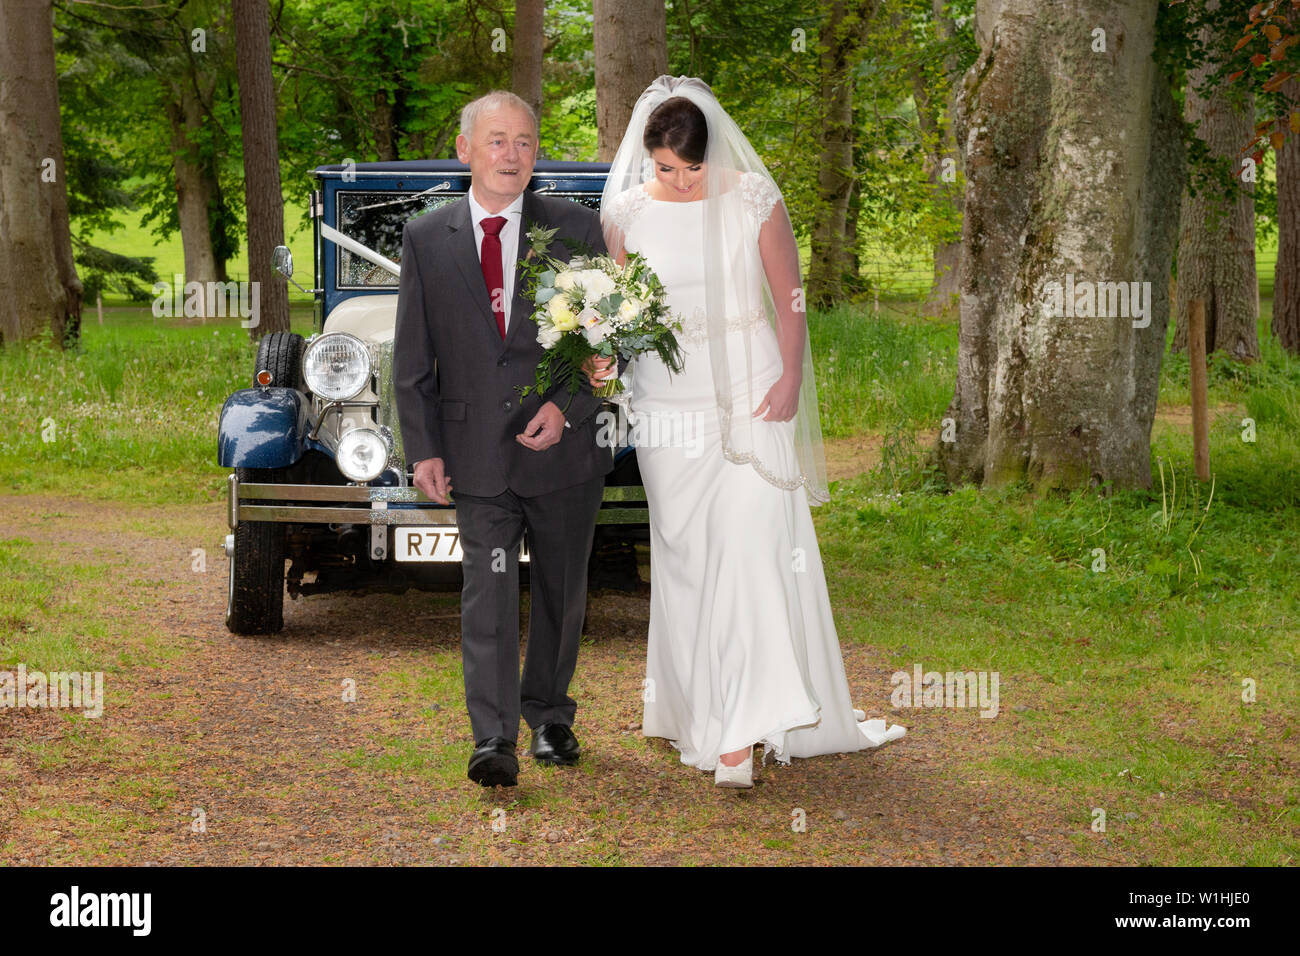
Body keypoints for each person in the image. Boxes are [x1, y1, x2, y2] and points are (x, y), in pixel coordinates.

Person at [593, 76, 905, 788]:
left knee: (751, 545)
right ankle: (695, 709)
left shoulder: (757, 199)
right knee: (688, 559)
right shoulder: (626, 212)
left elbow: (789, 298)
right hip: (668, 408)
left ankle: (739, 731)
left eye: (690, 168)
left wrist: (791, 375)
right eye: (664, 168)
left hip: (752, 394)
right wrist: (601, 349)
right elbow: (613, 307)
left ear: (712, 153)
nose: (677, 181)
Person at [394, 91, 610, 788]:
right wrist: (424, 448)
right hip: (474, 453)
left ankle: (549, 719)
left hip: (564, 451)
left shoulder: (578, 230)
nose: (510, 155)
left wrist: (569, 409)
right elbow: (412, 355)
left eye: (523, 141)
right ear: (465, 151)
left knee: (560, 589)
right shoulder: (428, 238)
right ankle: (492, 738)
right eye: (495, 141)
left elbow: (605, 345)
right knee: (486, 592)